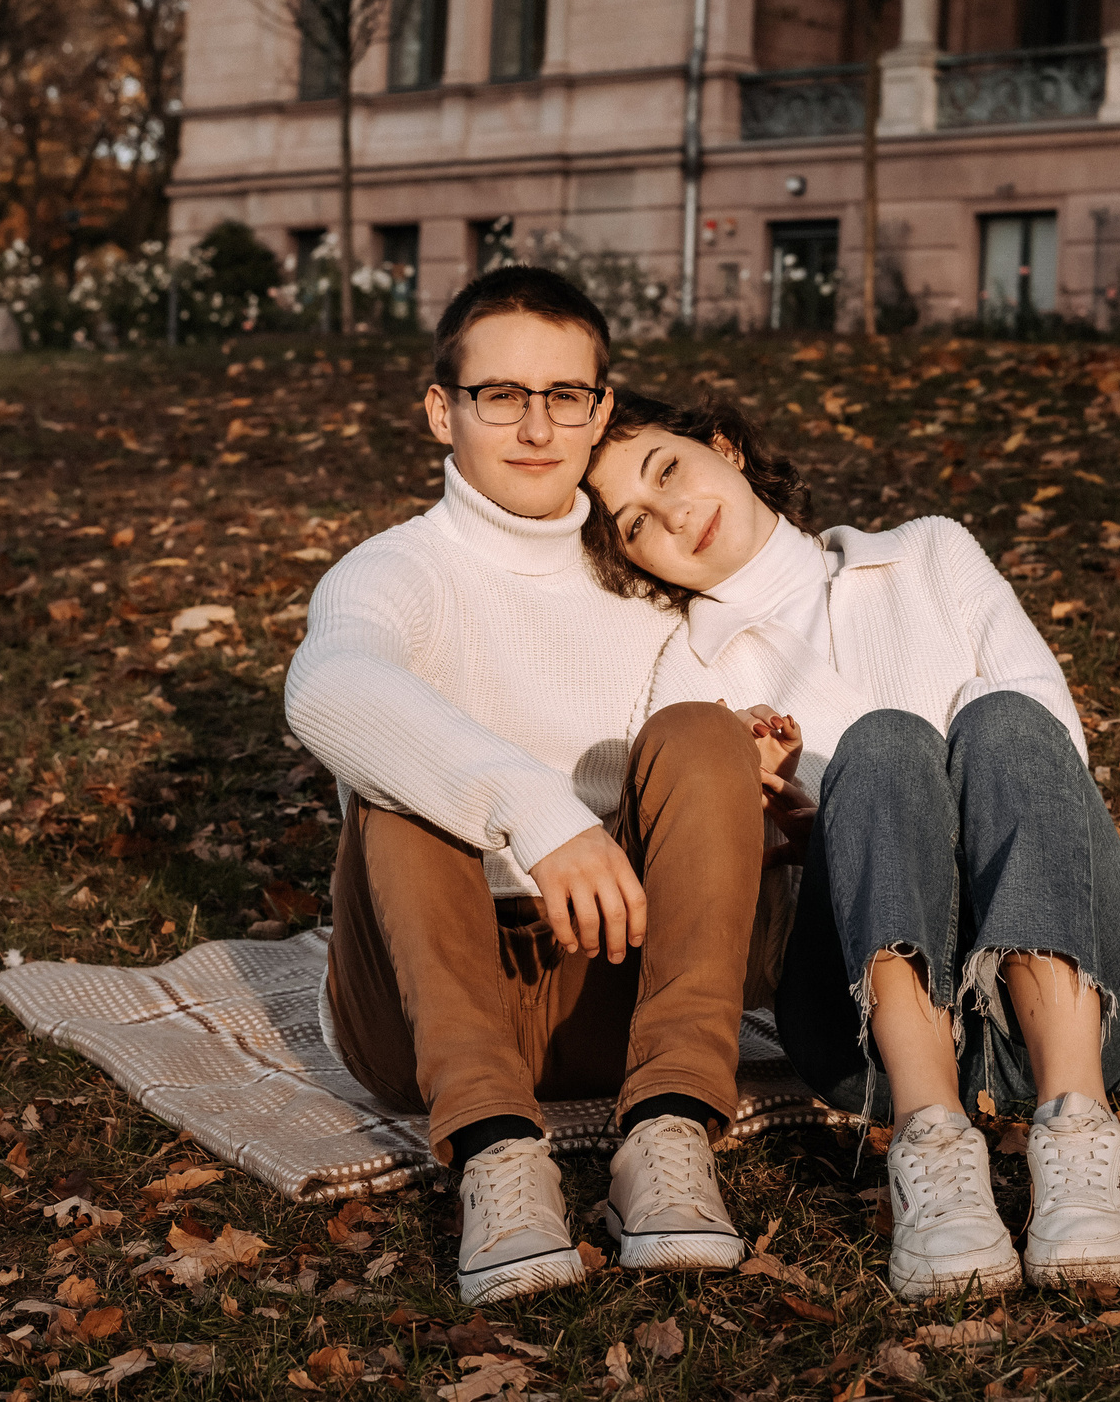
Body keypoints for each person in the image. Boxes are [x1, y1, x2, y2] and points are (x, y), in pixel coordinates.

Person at [582, 392, 1120, 1304]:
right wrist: (801, 836)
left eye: (668, 471)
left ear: (725, 447)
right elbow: (726, 925)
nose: (671, 515)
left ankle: (1080, 1131)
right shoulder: (689, 678)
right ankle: (932, 1153)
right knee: (886, 742)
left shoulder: (928, 549)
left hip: (1068, 996)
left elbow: (1055, 762)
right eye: (636, 523)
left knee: (1004, 719)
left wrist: (893, 815)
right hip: (869, 1044)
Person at [284, 272, 764, 1305]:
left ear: (600, 410)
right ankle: (498, 1154)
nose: (535, 427)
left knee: (704, 733)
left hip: (610, 976)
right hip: (421, 1010)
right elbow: (327, 689)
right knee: (399, 776)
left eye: (565, 397)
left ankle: (669, 1132)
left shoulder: (646, 575)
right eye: (500, 395)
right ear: (441, 410)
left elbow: (721, 763)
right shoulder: (391, 571)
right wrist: (538, 816)